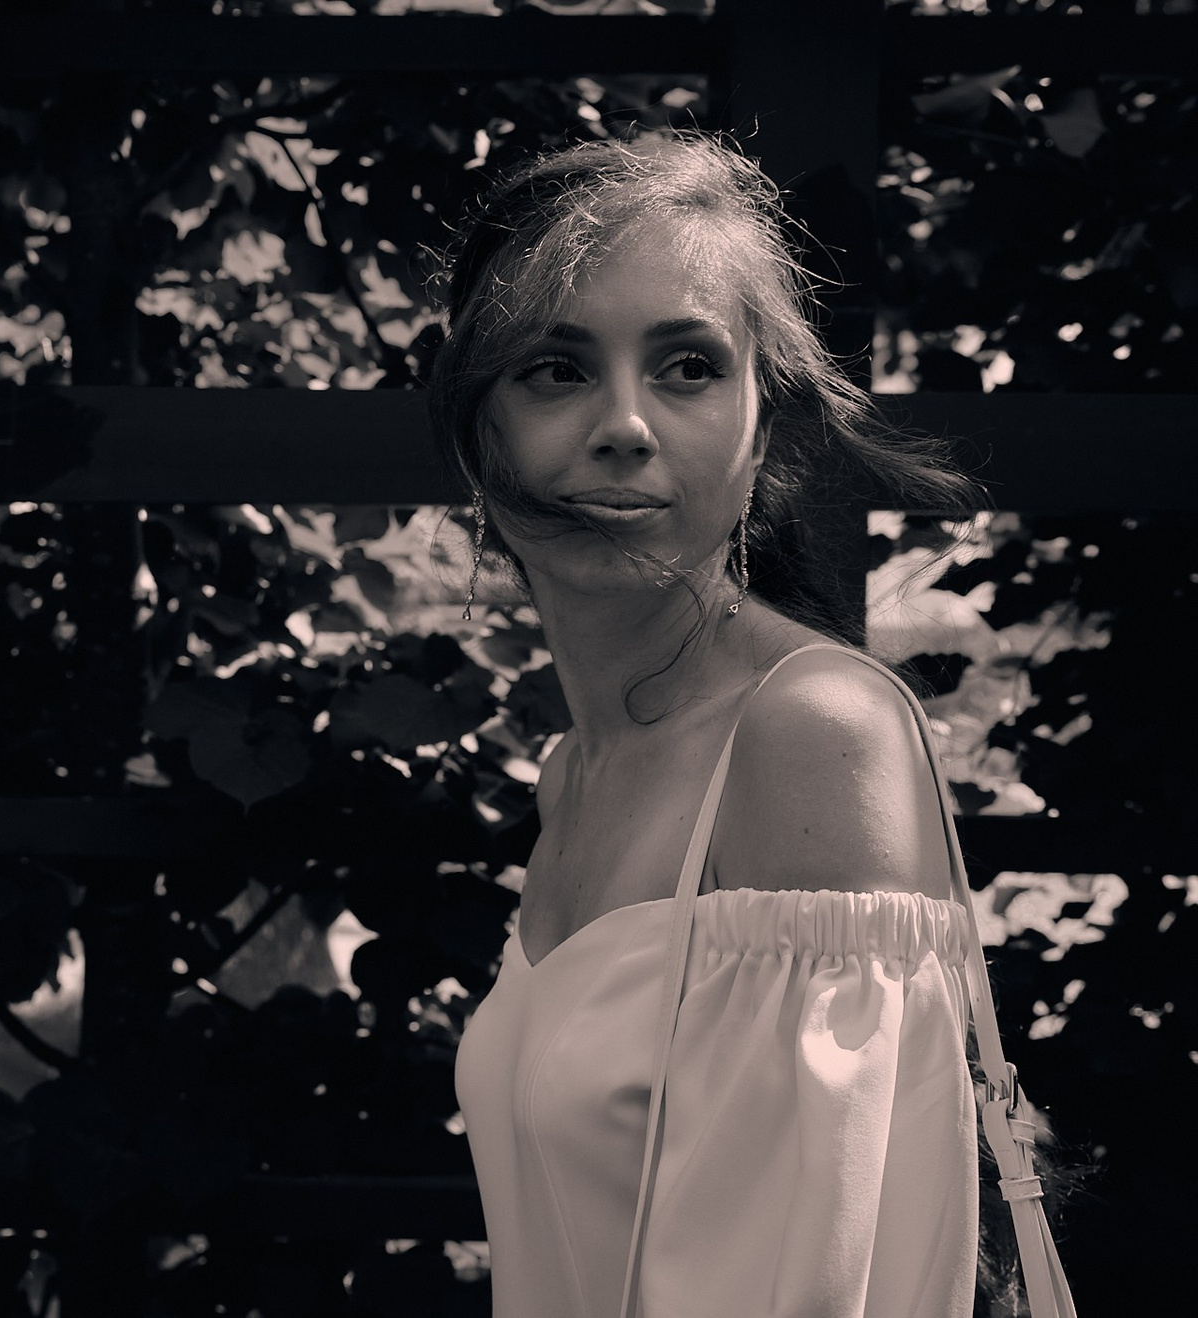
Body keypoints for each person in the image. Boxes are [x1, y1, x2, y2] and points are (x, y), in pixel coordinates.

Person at [433, 132, 1074, 1317]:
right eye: (555, 370)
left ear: (761, 428)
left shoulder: (808, 734)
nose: (624, 424)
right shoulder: (576, 769)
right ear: (480, 432)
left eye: (686, 366)